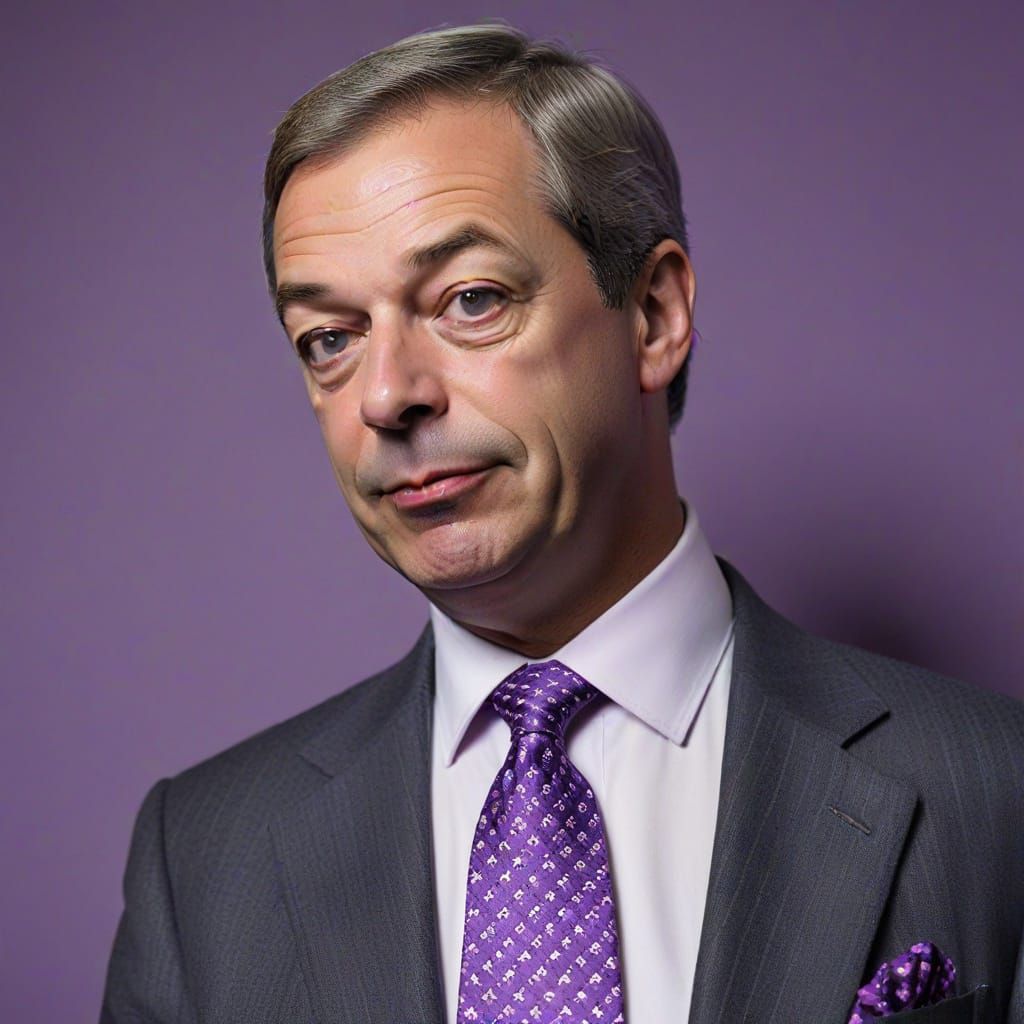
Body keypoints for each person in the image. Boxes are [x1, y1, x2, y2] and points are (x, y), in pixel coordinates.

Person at [100, 22, 1024, 1024]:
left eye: (468, 299)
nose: (385, 395)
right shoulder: (200, 859)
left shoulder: (992, 790)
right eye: (330, 337)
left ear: (655, 314)